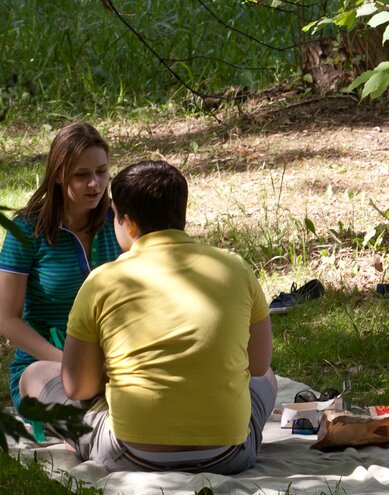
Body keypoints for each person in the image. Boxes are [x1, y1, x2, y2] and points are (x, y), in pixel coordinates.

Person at [20, 160, 277, 475]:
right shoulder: (234, 267)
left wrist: (115, 373)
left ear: (128, 223)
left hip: (132, 454)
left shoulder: (103, 280)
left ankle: (81, 441)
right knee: (269, 377)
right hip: (228, 455)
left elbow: (78, 387)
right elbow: (258, 366)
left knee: (33, 376)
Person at [0, 122, 121, 417]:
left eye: (101, 172)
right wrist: (68, 361)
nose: (95, 184)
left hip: (117, 358)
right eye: (82, 175)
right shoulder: (26, 231)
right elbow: (6, 319)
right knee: (78, 405)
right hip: (49, 364)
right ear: (58, 175)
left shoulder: (118, 220)